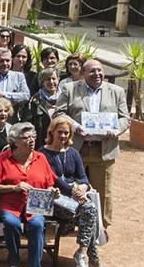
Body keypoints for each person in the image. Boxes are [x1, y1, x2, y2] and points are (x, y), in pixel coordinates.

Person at [41, 115, 114, 267]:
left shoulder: (73, 153)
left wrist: (82, 187)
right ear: (52, 132)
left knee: (89, 210)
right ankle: (92, 261)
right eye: (60, 132)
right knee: (90, 210)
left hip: (75, 200)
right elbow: (52, 178)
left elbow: (83, 178)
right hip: (54, 200)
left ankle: (83, 252)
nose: (63, 136)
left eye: (66, 133)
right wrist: (73, 190)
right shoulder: (42, 153)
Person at [55, 59, 129, 224]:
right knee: (72, 188)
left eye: (100, 70)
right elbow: (59, 113)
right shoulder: (70, 89)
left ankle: (101, 226)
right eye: (92, 71)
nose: (97, 74)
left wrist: (117, 130)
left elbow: (125, 118)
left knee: (103, 190)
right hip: (76, 149)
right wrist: (75, 127)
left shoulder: (116, 91)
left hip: (103, 150)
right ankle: (70, 222)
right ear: (83, 73)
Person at [0, 122, 58, 267]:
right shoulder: (3, 158)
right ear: (15, 141)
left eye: (33, 136)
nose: (31, 140)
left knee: (36, 225)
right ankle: (13, 264)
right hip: (10, 204)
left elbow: (49, 183)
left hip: (35, 206)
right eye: (26, 137)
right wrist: (14, 187)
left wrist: (52, 191)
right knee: (11, 223)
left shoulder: (40, 158)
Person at [24, 67, 61, 140]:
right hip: (42, 140)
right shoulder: (34, 101)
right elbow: (28, 123)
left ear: (58, 79)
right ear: (42, 82)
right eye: (47, 79)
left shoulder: (65, 98)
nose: (51, 82)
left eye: (54, 78)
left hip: (62, 138)